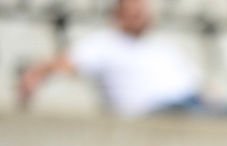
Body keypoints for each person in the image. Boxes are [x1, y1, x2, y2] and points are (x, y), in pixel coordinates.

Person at [19, 0, 203, 117]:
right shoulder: (105, 44)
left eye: (141, 10)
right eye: (133, 11)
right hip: (158, 112)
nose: (138, 15)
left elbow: (197, 85)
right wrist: (35, 74)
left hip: (192, 103)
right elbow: (66, 63)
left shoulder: (163, 46)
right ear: (119, 15)